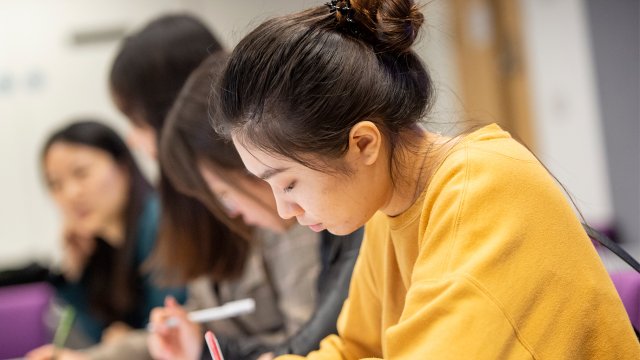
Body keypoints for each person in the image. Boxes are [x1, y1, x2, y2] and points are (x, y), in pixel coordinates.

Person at [211, 0, 640, 358]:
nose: (285, 209)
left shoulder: (485, 190)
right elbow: (355, 348)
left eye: (287, 183)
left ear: (363, 144)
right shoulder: (387, 208)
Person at [109, 15, 328, 359]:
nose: (134, 140)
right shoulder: (206, 204)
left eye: (136, 121)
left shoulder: (292, 208)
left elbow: (311, 343)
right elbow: (199, 327)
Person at [147, 53, 362, 360]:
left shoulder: (338, 222)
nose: (231, 213)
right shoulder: (330, 220)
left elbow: (316, 342)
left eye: (224, 194)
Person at [26, 121, 185, 359]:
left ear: (122, 165)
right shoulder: (102, 247)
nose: (70, 194)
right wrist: (74, 276)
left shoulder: (162, 224)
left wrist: (124, 343)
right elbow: (93, 338)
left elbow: (170, 327)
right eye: (55, 184)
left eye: (81, 173)